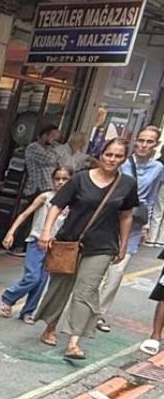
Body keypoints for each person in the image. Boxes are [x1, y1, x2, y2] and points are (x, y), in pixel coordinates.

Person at [36, 138, 139, 360]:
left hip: (102, 246)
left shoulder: (127, 184)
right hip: (70, 241)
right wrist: (46, 232)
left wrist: (123, 245)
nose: (112, 159)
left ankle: (74, 341)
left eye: (118, 156)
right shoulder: (80, 179)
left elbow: (126, 215)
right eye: (109, 154)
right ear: (100, 155)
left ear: (124, 159)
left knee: (87, 291)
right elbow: (57, 205)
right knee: (60, 287)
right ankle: (50, 327)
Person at [93, 126, 162, 332]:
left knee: (116, 274)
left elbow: (151, 198)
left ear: (156, 145)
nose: (143, 145)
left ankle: (98, 314)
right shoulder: (121, 163)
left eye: (149, 142)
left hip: (133, 226)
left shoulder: (158, 169)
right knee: (97, 270)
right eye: (141, 140)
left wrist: (146, 225)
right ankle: (85, 310)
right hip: (110, 221)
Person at [0, 166, 71, 323]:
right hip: (37, 241)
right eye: (57, 178)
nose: (60, 182)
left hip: (55, 246)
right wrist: (11, 232)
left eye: (65, 179)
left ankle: (28, 311)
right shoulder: (45, 197)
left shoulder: (72, 202)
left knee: (42, 280)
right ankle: (8, 297)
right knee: (33, 277)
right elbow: (25, 214)